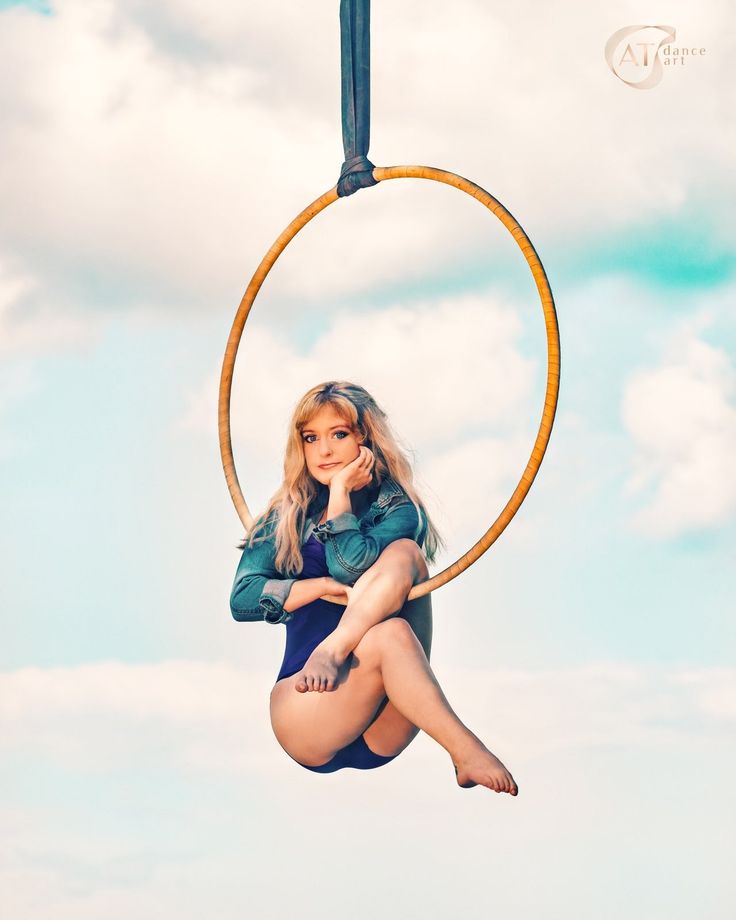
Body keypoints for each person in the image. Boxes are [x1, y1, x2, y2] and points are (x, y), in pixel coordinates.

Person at [230, 381, 518, 794]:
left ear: (367, 438)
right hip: (306, 704)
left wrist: (341, 494)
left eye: (339, 435)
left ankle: (335, 647)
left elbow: (350, 565)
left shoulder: (397, 509)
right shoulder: (285, 517)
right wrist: (316, 587)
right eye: (311, 438)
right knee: (389, 633)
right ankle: (466, 749)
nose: (324, 451)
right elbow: (241, 599)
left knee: (406, 556)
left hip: (388, 714)